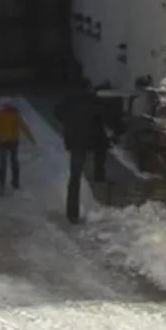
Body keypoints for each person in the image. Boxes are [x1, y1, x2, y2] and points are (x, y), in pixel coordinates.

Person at [54, 84, 115, 225]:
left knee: (75, 177)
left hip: (75, 142)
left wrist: (70, 123)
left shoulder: (68, 101)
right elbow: (106, 118)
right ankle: (99, 184)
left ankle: (72, 213)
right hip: (90, 140)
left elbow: (57, 114)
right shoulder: (93, 102)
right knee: (99, 157)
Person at [0, 99, 35, 195]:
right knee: (14, 161)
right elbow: (24, 127)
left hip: (3, 142)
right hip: (13, 141)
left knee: (2, 164)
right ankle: (15, 182)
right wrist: (31, 139)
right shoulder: (15, 114)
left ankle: (2, 185)